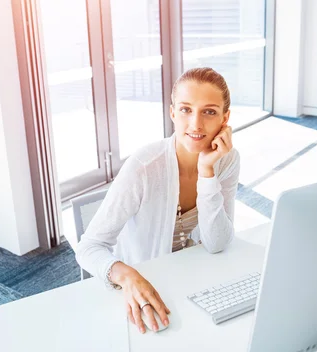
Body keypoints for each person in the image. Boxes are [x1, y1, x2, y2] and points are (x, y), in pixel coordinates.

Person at [75, 67, 240, 334]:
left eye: (209, 111)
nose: (196, 124)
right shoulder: (144, 166)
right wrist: (127, 276)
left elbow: (218, 242)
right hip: (142, 282)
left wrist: (207, 172)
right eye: (186, 109)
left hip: (191, 276)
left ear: (225, 118)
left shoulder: (228, 160)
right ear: (172, 112)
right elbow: (89, 247)